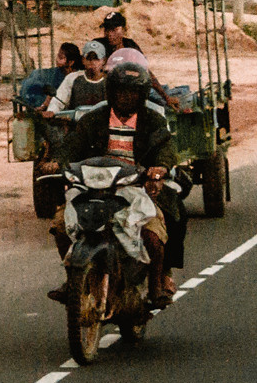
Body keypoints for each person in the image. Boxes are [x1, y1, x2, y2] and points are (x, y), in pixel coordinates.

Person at [51, 61, 184, 302]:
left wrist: (160, 168)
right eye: (121, 91)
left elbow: (166, 147)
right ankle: (72, 279)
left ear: (142, 95)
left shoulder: (153, 120)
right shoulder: (94, 119)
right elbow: (72, 145)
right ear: (111, 92)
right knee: (61, 225)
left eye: (132, 92)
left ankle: (156, 285)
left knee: (152, 235)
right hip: (92, 186)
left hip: (135, 187)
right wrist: (57, 162)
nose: (126, 97)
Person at [48, 41, 109, 115]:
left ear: (104, 60)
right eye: (89, 58)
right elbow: (58, 101)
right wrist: (51, 111)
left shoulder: (111, 80)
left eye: (96, 59)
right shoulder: (72, 78)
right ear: (83, 60)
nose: (92, 62)